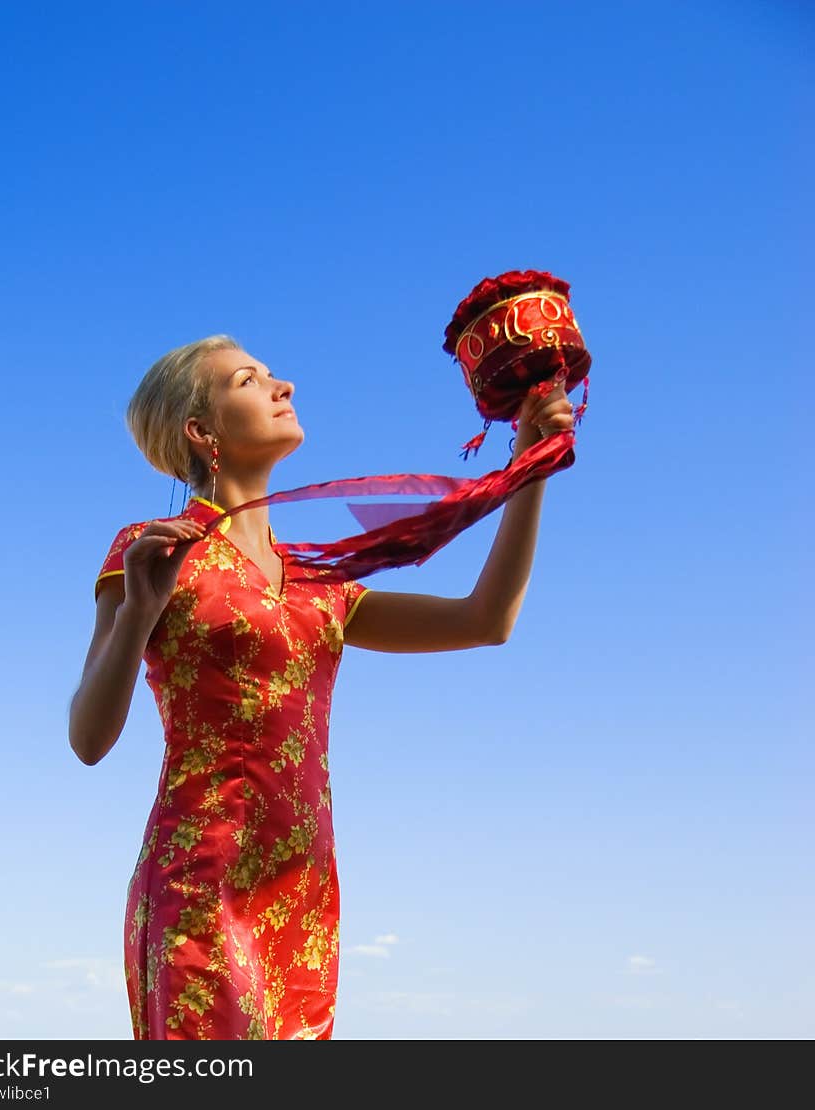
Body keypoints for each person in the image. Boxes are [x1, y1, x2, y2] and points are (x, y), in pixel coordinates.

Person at [68, 334, 574, 1040]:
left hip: (300, 894)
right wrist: (138, 615)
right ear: (201, 430)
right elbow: (89, 739)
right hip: (199, 887)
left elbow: (486, 620)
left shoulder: (318, 582)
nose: (285, 387)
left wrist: (530, 468)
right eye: (250, 379)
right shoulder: (154, 549)